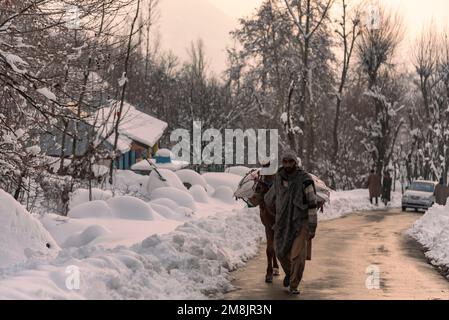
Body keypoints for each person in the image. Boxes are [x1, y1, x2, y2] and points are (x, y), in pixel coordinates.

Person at [264, 150, 318, 295]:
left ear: (295, 162)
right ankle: (289, 273)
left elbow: (312, 203)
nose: (288, 164)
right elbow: (270, 198)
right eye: (285, 161)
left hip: (300, 221)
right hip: (282, 222)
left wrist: (312, 227)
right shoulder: (278, 178)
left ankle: (294, 284)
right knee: (280, 251)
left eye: (290, 161)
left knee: (297, 255)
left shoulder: (305, 179)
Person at [250, 159, 280, 283]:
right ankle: (270, 267)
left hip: (281, 211)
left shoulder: (280, 179)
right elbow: (254, 198)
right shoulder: (261, 181)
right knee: (270, 241)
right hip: (268, 214)